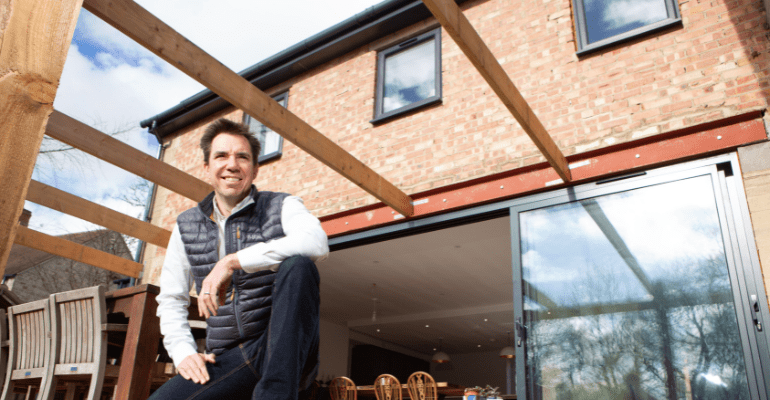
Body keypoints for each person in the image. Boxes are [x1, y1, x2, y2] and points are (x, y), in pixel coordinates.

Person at [149, 118, 329, 400]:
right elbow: (172, 299)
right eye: (221, 155)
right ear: (207, 167)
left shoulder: (282, 205)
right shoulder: (186, 226)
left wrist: (231, 261)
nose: (232, 164)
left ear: (255, 169)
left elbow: (316, 242)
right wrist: (183, 353)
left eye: (242, 157)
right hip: (231, 357)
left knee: (300, 265)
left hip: (285, 349)